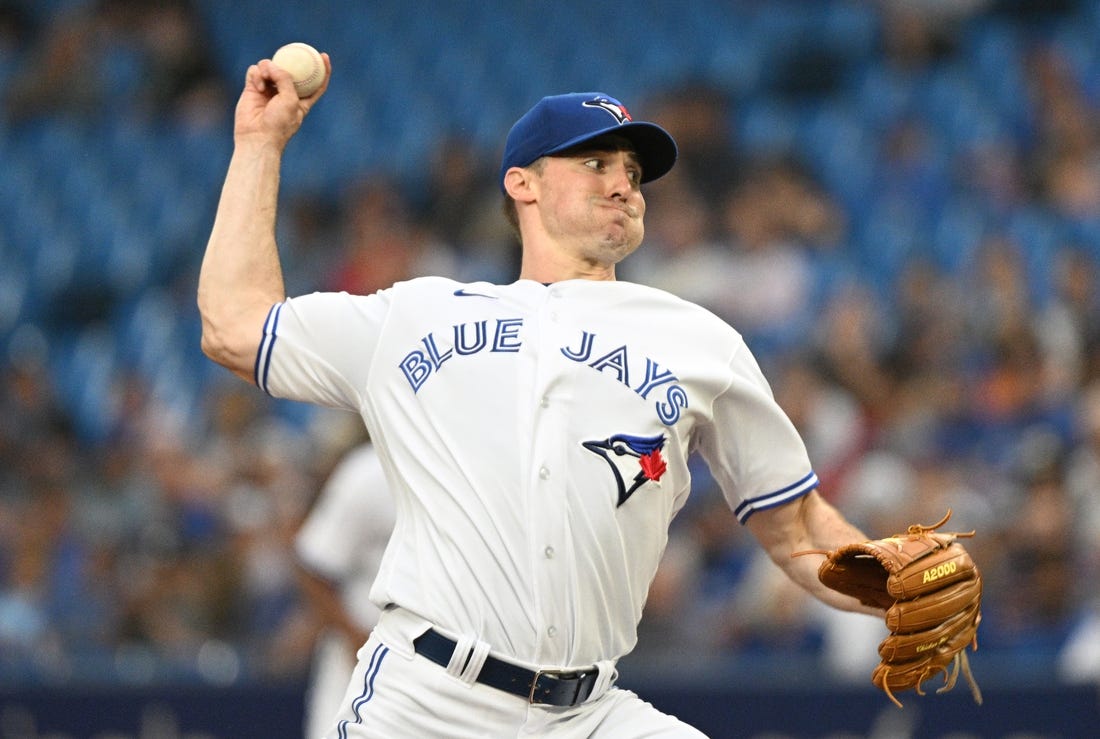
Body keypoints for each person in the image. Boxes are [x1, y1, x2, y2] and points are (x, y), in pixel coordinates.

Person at [197, 52, 881, 738]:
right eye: (596, 164)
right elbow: (233, 325)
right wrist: (259, 145)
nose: (624, 185)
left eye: (634, 173)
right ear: (521, 183)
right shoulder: (417, 316)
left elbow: (796, 529)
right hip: (427, 702)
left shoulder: (699, 340)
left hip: (588, 712)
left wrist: (890, 586)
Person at [295, 440, 395, 739]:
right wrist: (354, 637)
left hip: (437, 662)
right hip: (360, 660)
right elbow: (312, 568)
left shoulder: (463, 470)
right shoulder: (367, 472)